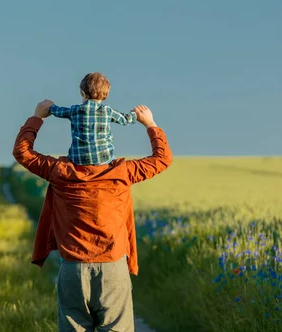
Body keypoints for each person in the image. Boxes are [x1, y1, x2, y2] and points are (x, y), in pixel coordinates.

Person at [12, 99, 173, 332]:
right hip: (113, 268)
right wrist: (150, 124)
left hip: (73, 270)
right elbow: (162, 159)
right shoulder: (122, 173)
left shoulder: (59, 172)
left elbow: (22, 152)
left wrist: (37, 117)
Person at [49, 72, 137, 165]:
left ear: (82, 93)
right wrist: (135, 114)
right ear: (105, 95)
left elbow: (59, 111)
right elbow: (125, 119)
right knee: (112, 160)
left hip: (78, 159)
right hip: (103, 158)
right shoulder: (107, 111)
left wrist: (51, 107)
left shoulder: (75, 110)